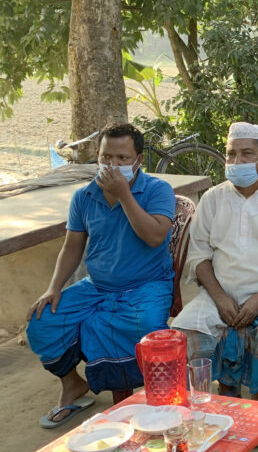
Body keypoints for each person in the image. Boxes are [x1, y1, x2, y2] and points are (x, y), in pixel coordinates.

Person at [26, 123, 176, 428]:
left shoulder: (156, 190)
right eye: (107, 157)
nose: (113, 165)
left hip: (146, 285)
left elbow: (155, 237)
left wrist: (124, 196)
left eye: (122, 158)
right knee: (43, 321)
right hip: (96, 286)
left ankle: (151, 401)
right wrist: (53, 287)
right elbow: (72, 246)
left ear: (138, 160)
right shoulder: (84, 196)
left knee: (147, 329)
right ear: (98, 156)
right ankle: (73, 385)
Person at [172, 122, 258, 410]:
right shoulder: (212, 199)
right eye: (230, 154)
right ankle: (226, 395)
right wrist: (221, 297)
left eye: (246, 154)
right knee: (186, 331)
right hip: (219, 292)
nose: (237, 162)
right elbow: (198, 256)